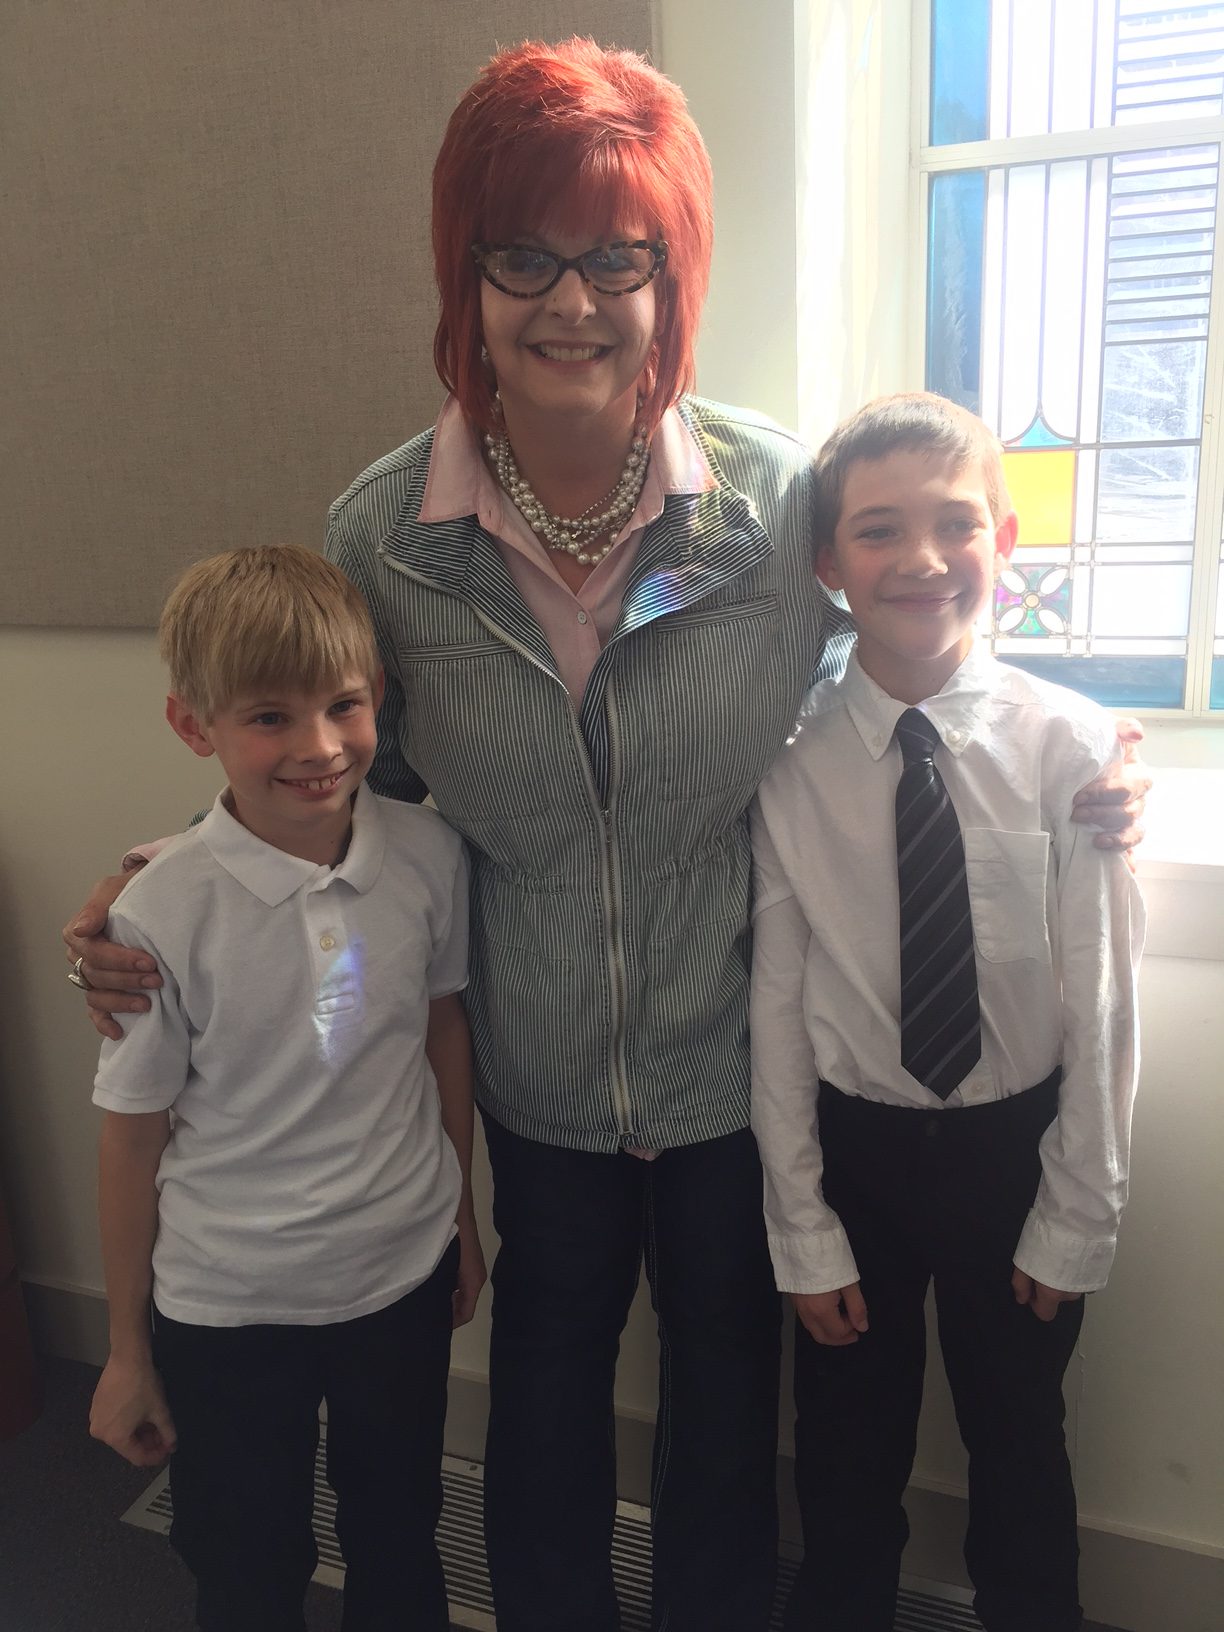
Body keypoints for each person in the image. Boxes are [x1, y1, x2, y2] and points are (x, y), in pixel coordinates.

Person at [63, 41, 1149, 1632]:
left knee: (727, 1405)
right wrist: (168, 873)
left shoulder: (772, 509)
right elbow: (341, 751)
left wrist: (1091, 750)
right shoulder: (388, 533)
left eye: (617, 259)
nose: (570, 302)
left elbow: (911, 662)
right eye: (524, 256)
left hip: (736, 1059)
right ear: (467, 274)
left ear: (669, 279)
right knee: (547, 1398)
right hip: (536, 1060)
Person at [750, 393, 1145, 1632]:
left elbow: (1104, 1001)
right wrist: (802, 1224)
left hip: (1014, 1154)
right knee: (844, 1447)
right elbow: (778, 1001)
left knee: (1020, 1444)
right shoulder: (789, 759)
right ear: (828, 564)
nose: (921, 559)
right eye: (878, 530)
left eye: (955, 523)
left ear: (1004, 539)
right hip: (856, 1153)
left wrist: (1078, 1212)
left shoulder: (1069, 747)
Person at [87, 545, 484, 1632]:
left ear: (378, 697)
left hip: (399, 1274)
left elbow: (442, 1029)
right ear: (194, 725)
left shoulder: (428, 856)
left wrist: (460, 1212)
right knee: (246, 1559)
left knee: (399, 1533)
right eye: (270, 718)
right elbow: (131, 1137)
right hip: (230, 1303)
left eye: (342, 706)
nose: (317, 747)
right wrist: (127, 1349)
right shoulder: (159, 911)